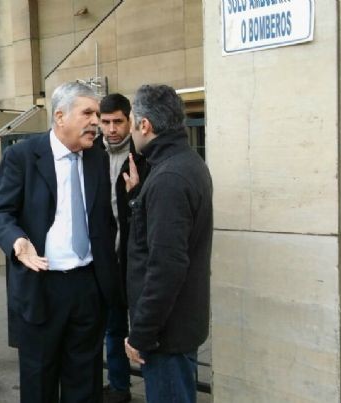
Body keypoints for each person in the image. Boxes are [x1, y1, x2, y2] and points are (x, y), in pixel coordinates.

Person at [0, 81, 119, 403]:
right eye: (87, 113)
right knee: (39, 382)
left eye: (97, 114)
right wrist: (18, 241)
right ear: (60, 116)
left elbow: (104, 221)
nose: (96, 122)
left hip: (88, 286)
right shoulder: (22, 156)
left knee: (85, 383)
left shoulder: (97, 158)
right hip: (41, 286)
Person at [123, 85, 213, 403]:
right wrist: (139, 197)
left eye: (130, 121)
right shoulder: (184, 164)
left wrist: (142, 334)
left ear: (144, 124)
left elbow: (166, 267)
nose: (130, 130)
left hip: (166, 335)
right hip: (176, 327)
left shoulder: (169, 178)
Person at [97, 93, 148, 403]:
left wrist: (136, 192)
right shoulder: (91, 153)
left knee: (145, 328)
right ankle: (119, 387)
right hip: (107, 259)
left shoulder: (143, 153)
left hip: (137, 257)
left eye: (118, 121)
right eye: (106, 122)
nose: (112, 129)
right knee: (113, 328)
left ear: (130, 121)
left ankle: (155, 386)